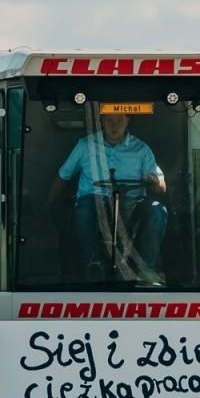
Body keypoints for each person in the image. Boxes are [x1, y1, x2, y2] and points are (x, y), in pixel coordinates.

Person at [47, 111, 167, 282]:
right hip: (94, 201)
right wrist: (48, 206)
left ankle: (145, 269)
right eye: (109, 120)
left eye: (119, 120)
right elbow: (63, 175)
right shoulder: (85, 145)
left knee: (158, 211)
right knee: (83, 211)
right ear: (101, 121)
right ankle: (93, 265)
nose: (114, 125)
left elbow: (161, 186)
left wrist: (155, 182)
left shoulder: (141, 149)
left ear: (128, 120)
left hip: (133, 203)